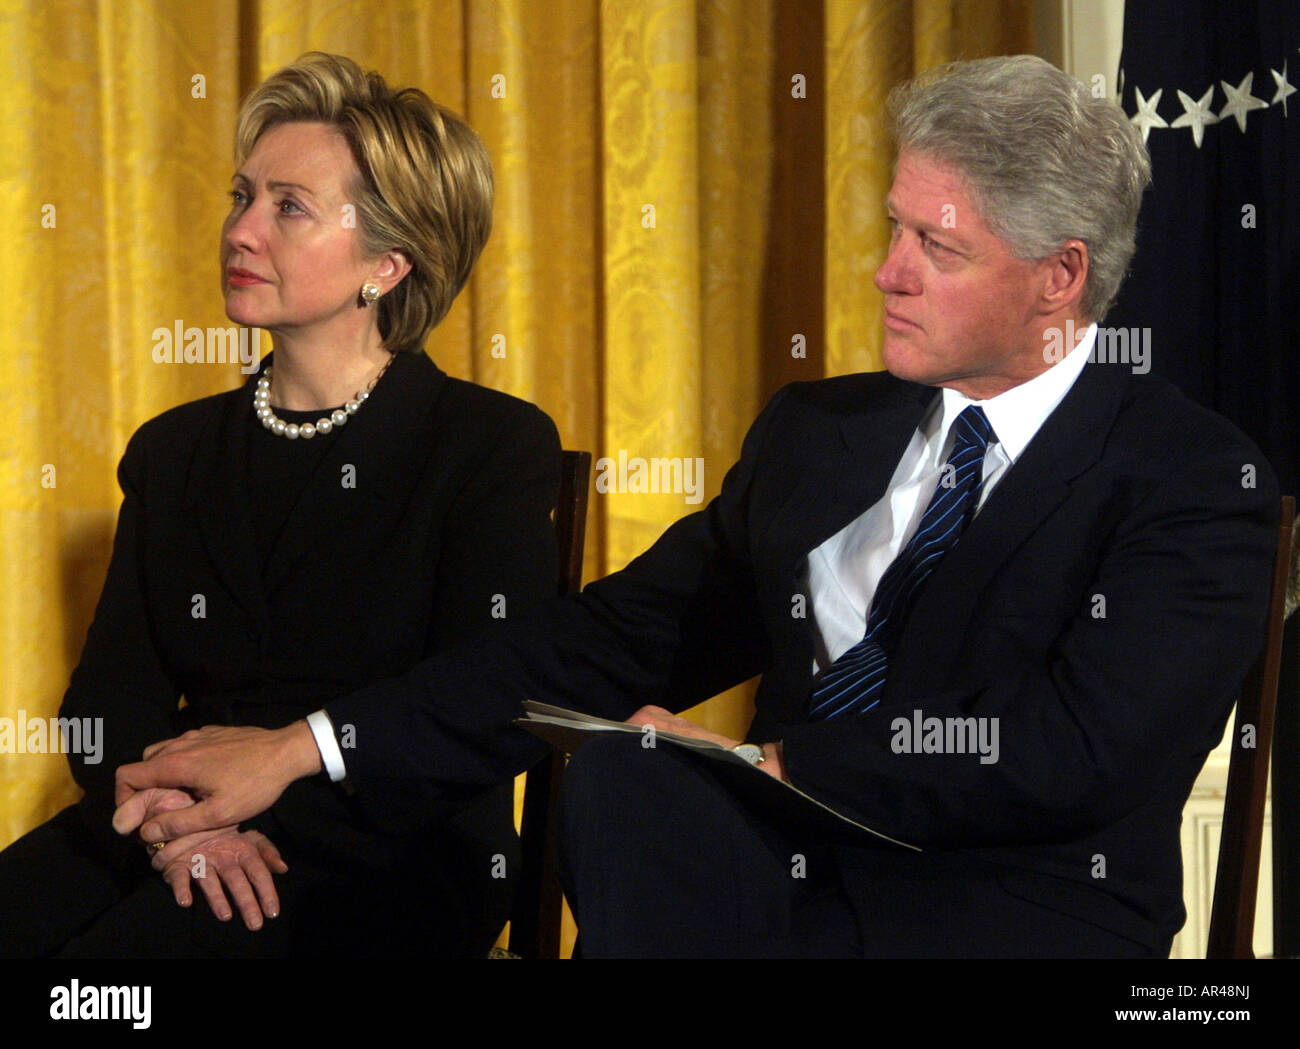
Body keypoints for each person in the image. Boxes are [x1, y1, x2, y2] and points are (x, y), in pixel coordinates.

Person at [115, 55, 1279, 958]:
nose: (887, 270)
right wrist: (304, 746)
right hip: (762, 893)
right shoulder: (820, 435)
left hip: (1008, 918)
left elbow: (1069, 754)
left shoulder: (1188, 479)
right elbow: (597, 641)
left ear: (1059, 278)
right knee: (625, 774)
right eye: (891, 225)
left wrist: (770, 765)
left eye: (937, 244)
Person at [0, 52, 560, 958]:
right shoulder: (173, 452)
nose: (241, 230)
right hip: (175, 828)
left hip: (388, 846)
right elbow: (109, 698)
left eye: (287, 206)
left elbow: (480, 707)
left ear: (387, 261)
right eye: (240, 196)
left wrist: (265, 787)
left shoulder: (489, 448)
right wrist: (178, 827)